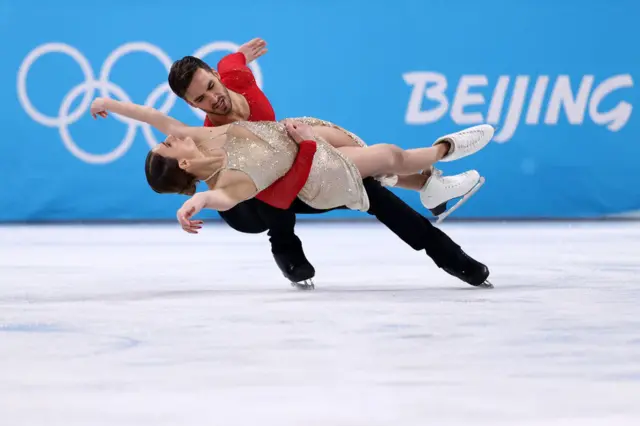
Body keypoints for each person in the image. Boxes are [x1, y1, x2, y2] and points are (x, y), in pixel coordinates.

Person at [160, 38, 490, 287]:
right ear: (190, 104)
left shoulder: (235, 76)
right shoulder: (221, 141)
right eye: (200, 99)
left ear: (218, 75)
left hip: (296, 154)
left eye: (211, 86)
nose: (212, 99)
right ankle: (285, 248)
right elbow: (271, 193)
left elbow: (233, 60)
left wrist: (241, 54)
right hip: (268, 198)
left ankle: (434, 210)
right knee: (345, 187)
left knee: (373, 177)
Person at [89, 96, 495, 289]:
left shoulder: (199, 135)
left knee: (379, 183)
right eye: (165, 144)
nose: (168, 136)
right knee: (283, 196)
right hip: (285, 194)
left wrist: (109, 102)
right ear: (180, 164)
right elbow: (224, 199)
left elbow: (152, 116)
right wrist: (197, 202)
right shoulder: (231, 186)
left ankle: (441, 219)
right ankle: (443, 153)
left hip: (302, 161)